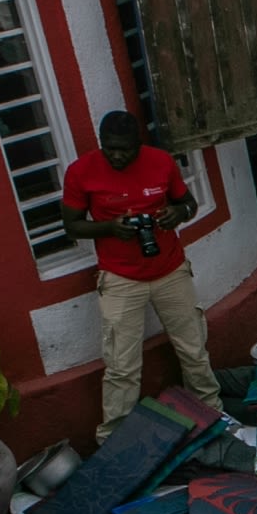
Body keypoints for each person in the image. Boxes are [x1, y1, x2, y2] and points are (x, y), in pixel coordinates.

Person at [60, 110, 222, 443]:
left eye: (125, 149)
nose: (117, 155)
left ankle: (212, 412)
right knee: (122, 366)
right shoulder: (80, 172)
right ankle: (114, 439)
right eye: (110, 148)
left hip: (171, 271)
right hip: (120, 278)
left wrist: (177, 213)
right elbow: (72, 225)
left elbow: (188, 204)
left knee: (193, 349)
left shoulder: (161, 162)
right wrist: (110, 228)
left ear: (139, 144)